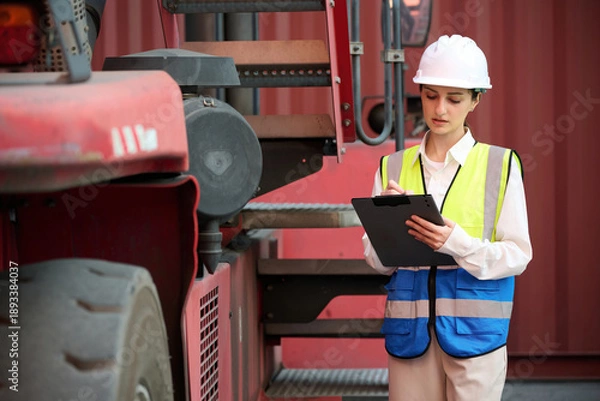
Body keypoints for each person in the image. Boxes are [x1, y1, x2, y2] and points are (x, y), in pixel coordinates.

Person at [361, 34, 533, 401]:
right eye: (430, 95)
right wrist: (386, 229)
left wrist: (457, 244)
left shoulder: (500, 166)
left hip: (476, 338)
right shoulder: (391, 166)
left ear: (475, 100)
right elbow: (376, 262)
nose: (441, 109)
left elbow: (518, 255)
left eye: (454, 99)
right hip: (411, 337)